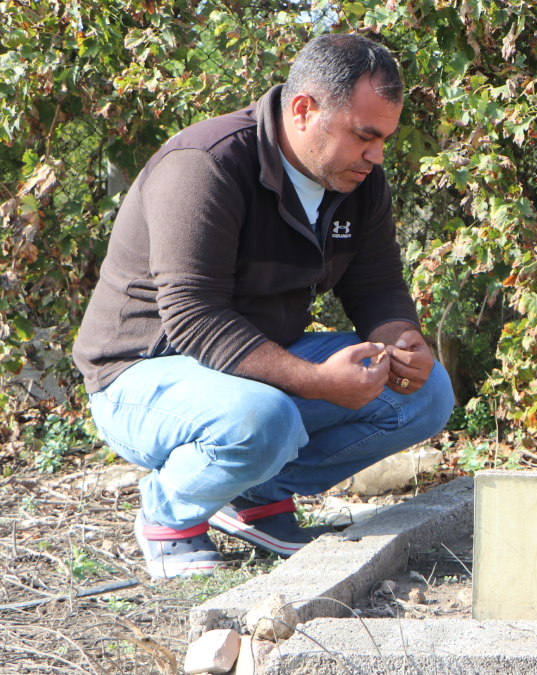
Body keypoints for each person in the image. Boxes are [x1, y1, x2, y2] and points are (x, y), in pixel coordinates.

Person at [72, 35, 455, 578]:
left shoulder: (358, 181)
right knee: (262, 418)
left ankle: (253, 496)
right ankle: (169, 514)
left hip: (251, 368)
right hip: (140, 372)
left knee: (426, 393)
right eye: (364, 136)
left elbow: (376, 284)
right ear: (303, 111)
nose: (377, 155)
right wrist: (318, 381)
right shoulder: (206, 164)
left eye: (384, 139)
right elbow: (193, 317)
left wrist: (400, 339)